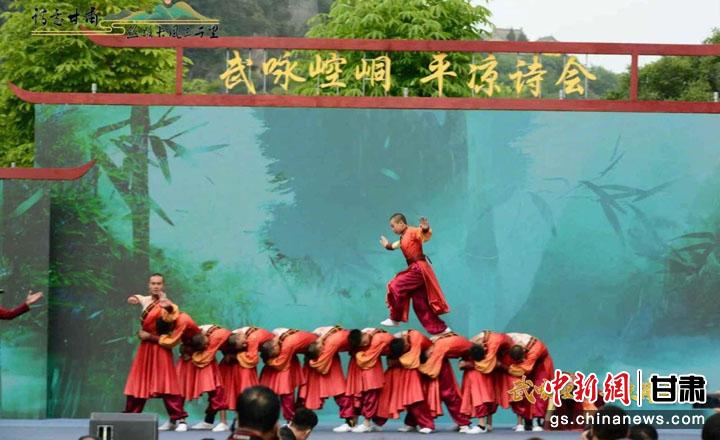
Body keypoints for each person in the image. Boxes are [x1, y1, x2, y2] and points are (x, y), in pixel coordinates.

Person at [123, 291, 188, 432]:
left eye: (158, 284)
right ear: (149, 285)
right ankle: (130, 417)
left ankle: (180, 419)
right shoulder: (145, 300)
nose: (156, 286)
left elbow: (171, 312)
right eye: (153, 283)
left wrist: (165, 302)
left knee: (167, 382)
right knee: (138, 381)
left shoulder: (168, 304)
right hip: (145, 348)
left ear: (162, 286)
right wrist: (133, 298)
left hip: (161, 346)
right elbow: (135, 298)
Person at [379, 214, 451, 335]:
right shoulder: (403, 237)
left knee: (395, 285)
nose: (392, 229)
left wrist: (425, 228)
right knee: (419, 303)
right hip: (416, 269)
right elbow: (395, 245)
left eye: (393, 226)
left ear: (401, 223)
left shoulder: (412, 231)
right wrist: (387, 245)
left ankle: (395, 317)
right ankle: (442, 329)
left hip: (418, 269)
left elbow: (423, 235)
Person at [418, 332, 481, 434]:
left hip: (438, 361)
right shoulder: (464, 344)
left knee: (448, 394)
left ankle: (463, 423)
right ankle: (462, 423)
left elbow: (430, 370)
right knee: (424, 394)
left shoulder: (459, 345)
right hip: (436, 360)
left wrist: (417, 367)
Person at [298, 326, 356, 433]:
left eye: (321, 348)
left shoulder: (330, 342)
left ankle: (350, 423)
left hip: (331, 366)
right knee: (306, 395)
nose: (321, 348)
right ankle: (299, 422)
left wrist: (312, 362)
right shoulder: (315, 340)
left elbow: (321, 366)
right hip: (314, 368)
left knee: (340, 393)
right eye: (319, 349)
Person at [376, 330, 435, 434]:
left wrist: (397, 361)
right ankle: (409, 423)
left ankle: (427, 424)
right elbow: (391, 360)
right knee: (386, 391)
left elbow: (412, 361)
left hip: (422, 364)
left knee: (414, 396)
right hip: (404, 367)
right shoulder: (393, 340)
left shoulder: (415, 337)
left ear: (407, 345)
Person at [217, 326, 275, 432]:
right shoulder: (226, 338)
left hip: (246, 367)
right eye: (242, 344)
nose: (244, 344)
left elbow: (252, 358)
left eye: (244, 343)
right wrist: (230, 356)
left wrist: (235, 356)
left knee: (246, 393)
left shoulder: (253, 338)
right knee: (224, 390)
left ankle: (243, 421)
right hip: (229, 366)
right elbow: (224, 352)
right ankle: (223, 422)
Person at [497, 332, 555, 432]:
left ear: (524, 352)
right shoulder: (506, 340)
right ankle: (527, 421)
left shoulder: (534, 350)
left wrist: (503, 367)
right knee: (523, 389)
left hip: (541, 365)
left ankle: (538, 420)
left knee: (539, 390)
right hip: (523, 364)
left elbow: (522, 371)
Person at [459, 330, 515, 432]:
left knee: (482, 394)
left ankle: (482, 425)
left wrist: (469, 364)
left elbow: (487, 365)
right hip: (490, 364)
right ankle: (485, 424)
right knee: (484, 393)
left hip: (505, 361)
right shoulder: (474, 342)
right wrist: (464, 362)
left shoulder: (494, 342)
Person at [259, 328, 318, 422]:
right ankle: (275, 419)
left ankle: (290, 419)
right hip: (286, 360)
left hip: (295, 359)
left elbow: (281, 364)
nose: (275, 354)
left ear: (275, 346)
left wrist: (269, 361)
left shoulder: (287, 345)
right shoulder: (276, 339)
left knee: (287, 394)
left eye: (275, 353)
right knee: (276, 394)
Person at [183, 324, 233, 431]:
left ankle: (223, 422)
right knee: (213, 393)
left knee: (217, 390)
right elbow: (184, 348)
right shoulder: (192, 338)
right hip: (203, 359)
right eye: (205, 345)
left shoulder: (215, 338)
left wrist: (194, 355)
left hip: (227, 353)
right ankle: (208, 421)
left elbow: (205, 357)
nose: (207, 346)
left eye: (207, 344)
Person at [345, 328, 394, 433]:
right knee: (356, 398)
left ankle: (366, 424)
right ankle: (352, 424)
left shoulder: (378, 337)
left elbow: (390, 339)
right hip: (359, 373)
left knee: (370, 398)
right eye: (361, 344)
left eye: (364, 342)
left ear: (363, 334)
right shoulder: (358, 341)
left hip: (372, 373)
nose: (364, 344)